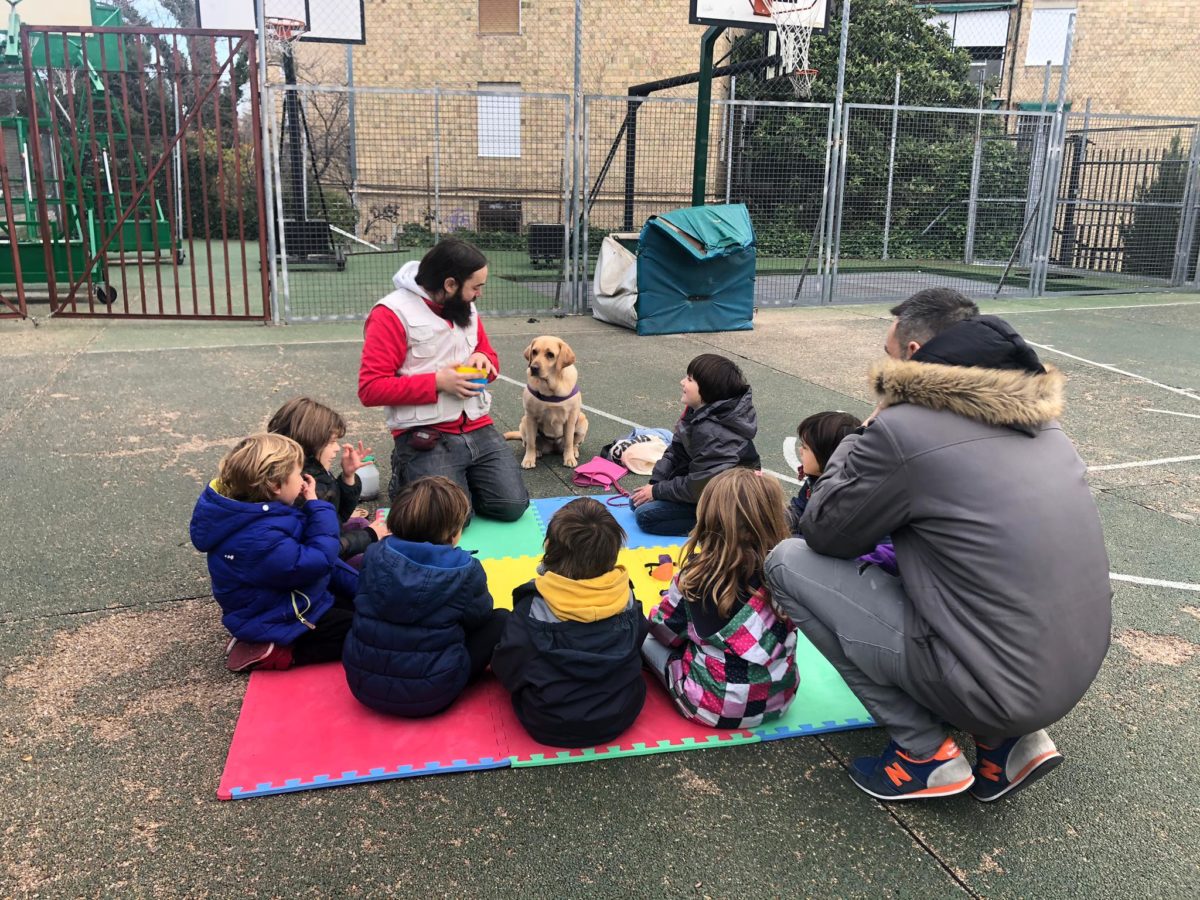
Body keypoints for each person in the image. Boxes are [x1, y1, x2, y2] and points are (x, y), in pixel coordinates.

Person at [765, 288, 1112, 803]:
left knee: (788, 563)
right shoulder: (1043, 422)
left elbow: (825, 533)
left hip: (997, 681)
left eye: (887, 354)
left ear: (910, 355)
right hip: (1075, 665)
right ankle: (1005, 747)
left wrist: (863, 433)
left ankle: (923, 753)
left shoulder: (902, 428)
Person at [357, 238, 529, 521]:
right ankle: (405, 476)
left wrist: (485, 362)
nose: (478, 295)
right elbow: (370, 389)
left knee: (512, 506)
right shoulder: (390, 314)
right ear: (450, 285)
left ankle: (458, 482)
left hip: (476, 426)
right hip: (425, 432)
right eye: (476, 287)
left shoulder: (464, 306)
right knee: (451, 520)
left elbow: (489, 357)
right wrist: (438, 382)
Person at [642, 468, 799, 729]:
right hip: (779, 700)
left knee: (645, 640)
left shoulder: (695, 578)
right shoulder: (789, 574)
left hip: (710, 707)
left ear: (709, 521)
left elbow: (663, 632)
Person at [189, 433, 359, 673]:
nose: (302, 481)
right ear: (275, 486)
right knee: (362, 634)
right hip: (277, 617)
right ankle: (278, 653)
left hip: (279, 600)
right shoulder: (261, 537)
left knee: (362, 606)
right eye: (297, 475)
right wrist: (318, 507)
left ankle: (260, 638)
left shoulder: (257, 512)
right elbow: (319, 560)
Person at [342, 476, 507, 717]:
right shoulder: (465, 569)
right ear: (453, 533)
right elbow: (480, 616)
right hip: (431, 694)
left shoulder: (375, 553)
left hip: (362, 684)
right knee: (501, 619)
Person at [491, 498, 649, 747]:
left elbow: (508, 666)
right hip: (621, 714)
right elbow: (640, 639)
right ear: (613, 553)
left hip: (548, 722)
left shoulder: (532, 606)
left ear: (548, 548)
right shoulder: (625, 595)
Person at [629, 353, 760, 536]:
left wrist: (658, 491)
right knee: (636, 501)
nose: (682, 382)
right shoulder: (698, 413)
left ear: (708, 390)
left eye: (689, 379)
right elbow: (675, 451)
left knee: (646, 516)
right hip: (703, 490)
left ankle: (718, 529)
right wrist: (656, 483)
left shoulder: (716, 434)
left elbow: (700, 486)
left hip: (728, 502)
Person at [267, 397, 389, 563]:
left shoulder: (314, 472)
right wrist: (370, 535)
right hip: (321, 561)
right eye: (332, 442)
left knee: (360, 522)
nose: (338, 448)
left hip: (325, 541)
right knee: (375, 560)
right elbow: (324, 551)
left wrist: (348, 476)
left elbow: (338, 515)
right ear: (311, 441)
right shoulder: (305, 488)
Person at [786, 411, 862, 535]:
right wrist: (775, 522)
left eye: (805, 447)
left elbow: (821, 539)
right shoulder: (814, 480)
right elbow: (799, 509)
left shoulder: (842, 501)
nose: (800, 450)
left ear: (828, 456)